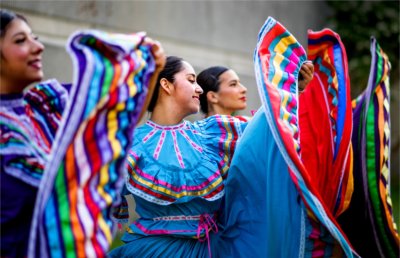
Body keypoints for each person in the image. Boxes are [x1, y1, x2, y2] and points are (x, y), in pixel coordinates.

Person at [0, 9, 166, 257]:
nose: (38, 47)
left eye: (34, 37)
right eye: (21, 40)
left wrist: (152, 69)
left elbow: (115, 119)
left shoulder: (44, 108)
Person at [196, 63, 314, 118]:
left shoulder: (247, 127)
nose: (244, 89)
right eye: (233, 84)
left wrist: (298, 88)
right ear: (212, 96)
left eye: (240, 83)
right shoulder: (193, 136)